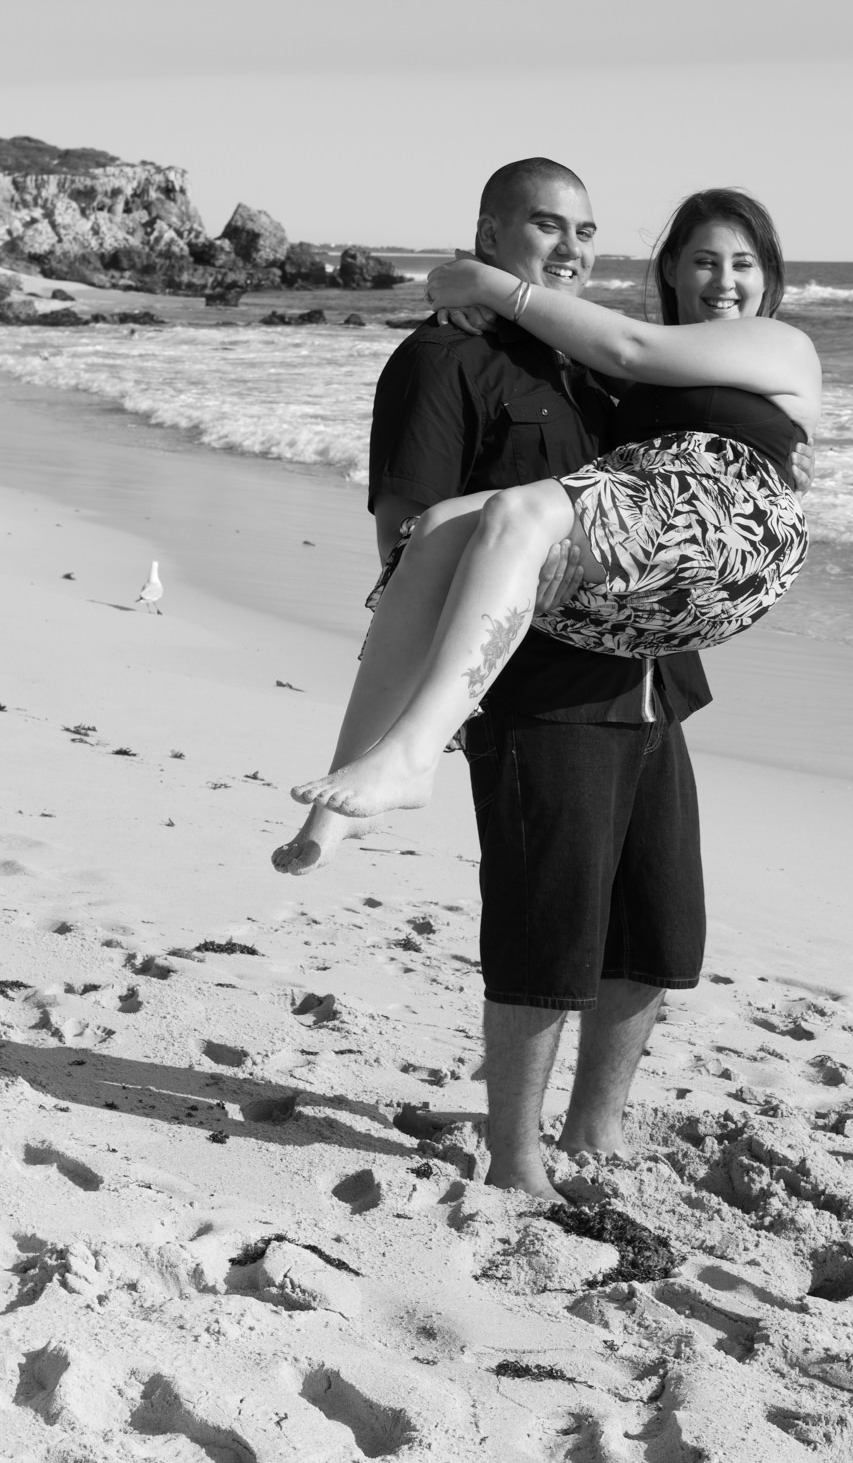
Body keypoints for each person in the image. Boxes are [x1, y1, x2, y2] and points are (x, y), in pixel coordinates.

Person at [275, 160, 814, 1202]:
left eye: (584, 231)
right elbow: (406, 536)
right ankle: (518, 1159)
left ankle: (595, 1133)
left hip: (653, 682)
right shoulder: (444, 359)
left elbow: (669, 430)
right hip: (538, 691)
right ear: (490, 231)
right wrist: (455, 691)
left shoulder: (604, 367)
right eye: (542, 226)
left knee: (655, 932)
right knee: (543, 930)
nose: (567, 248)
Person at [291, 193, 819, 816]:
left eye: (744, 264)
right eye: (706, 261)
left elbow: (628, 346)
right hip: (650, 564)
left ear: (770, 277)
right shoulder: (637, 379)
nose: (725, 281)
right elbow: (605, 351)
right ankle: (336, 808)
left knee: (518, 514)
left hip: (726, 518)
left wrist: (484, 283)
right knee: (434, 529)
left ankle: (414, 756)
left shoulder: (780, 343)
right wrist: (477, 305)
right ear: (673, 268)